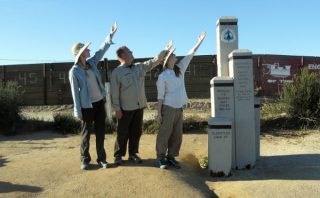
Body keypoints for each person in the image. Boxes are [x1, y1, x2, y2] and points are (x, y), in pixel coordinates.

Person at [69, 23, 118, 170]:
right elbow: (75, 93)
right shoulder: (74, 71)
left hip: (99, 103)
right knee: (86, 134)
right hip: (86, 106)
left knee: (101, 133)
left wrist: (110, 35)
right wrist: (77, 111)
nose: (89, 50)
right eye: (86, 49)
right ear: (81, 53)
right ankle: (84, 159)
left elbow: (101, 50)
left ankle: (101, 159)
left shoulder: (92, 63)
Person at [110, 45, 168, 165]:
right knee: (122, 132)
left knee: (136, 132)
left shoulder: (139, 67)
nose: (132, 52)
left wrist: (164, 51)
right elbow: (114, 93)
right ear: (122, 56)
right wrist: (117, 109)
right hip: (125, 109)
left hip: (139, 106)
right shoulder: (117, 72)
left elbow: (153, 62)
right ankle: (118, 155)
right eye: (129, 52)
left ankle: (132, 154)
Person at [156, 32, 206, 169]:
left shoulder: (180, 69)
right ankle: (160, 157)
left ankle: (171, 157)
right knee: (164, 133)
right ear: (167, 60)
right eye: (172, 54)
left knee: (177, 134)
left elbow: (191, 54)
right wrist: (159, 113)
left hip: (179, 108)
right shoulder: (163, 76)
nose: (175, 55)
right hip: (168, 108)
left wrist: (199, 41)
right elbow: (160, 97)